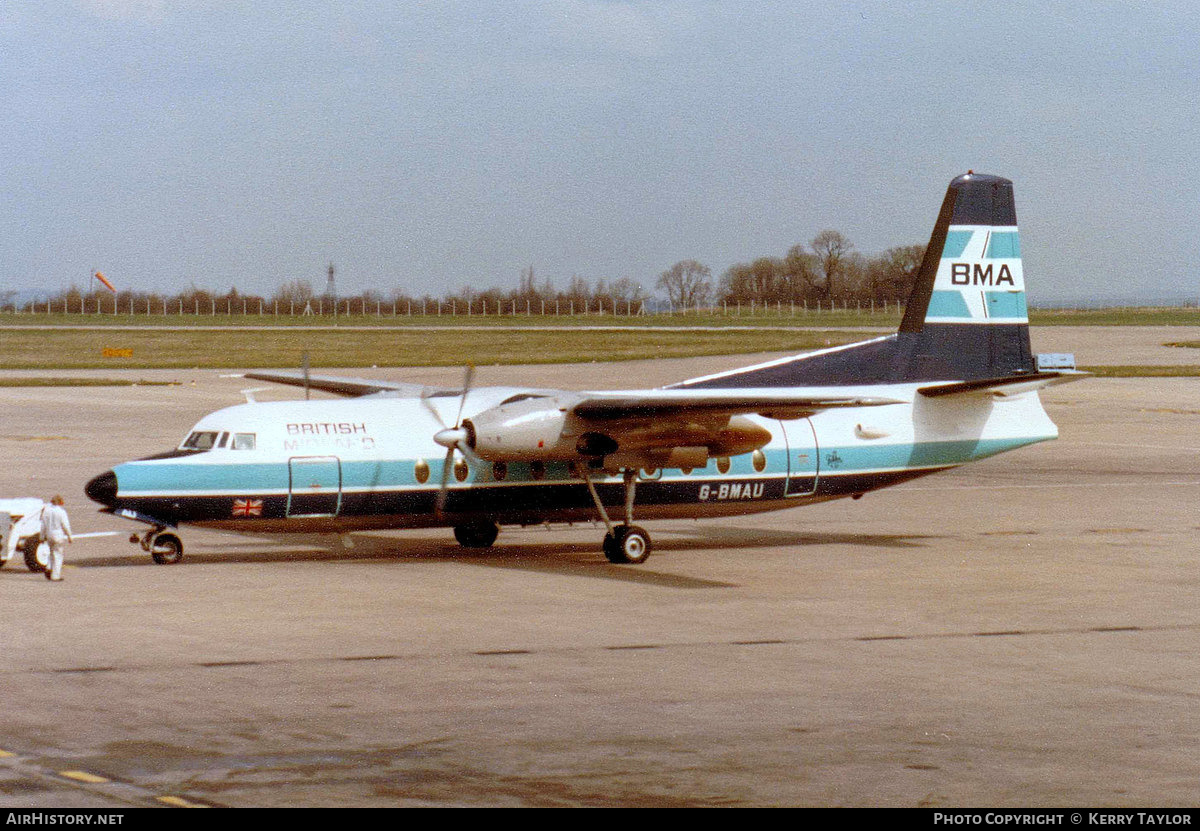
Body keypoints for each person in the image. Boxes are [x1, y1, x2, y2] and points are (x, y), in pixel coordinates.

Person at [39, 495, 72, 582]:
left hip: (49, 534)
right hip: (58, 535)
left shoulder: (46, 511)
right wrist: (69, 536)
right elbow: (65, 525)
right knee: (58, 555)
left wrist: (41, 537)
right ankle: (55, 576)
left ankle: (49, 567)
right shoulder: (61, 512)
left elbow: (43, 526)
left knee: (51, 553)